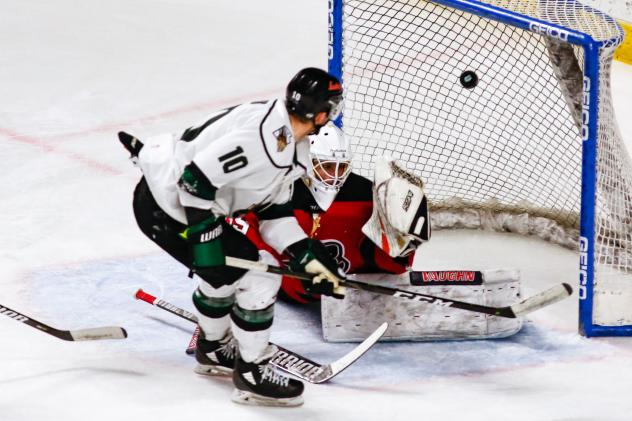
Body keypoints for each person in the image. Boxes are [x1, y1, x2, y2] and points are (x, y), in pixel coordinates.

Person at [120, 68, 346, 407]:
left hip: (180, 207)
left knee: (226, 273)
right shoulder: (261, 139)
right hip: (167, 210)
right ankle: (252, 373)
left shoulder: (290, 143)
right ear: (323, 113)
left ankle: (211, 349)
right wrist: (204, 237)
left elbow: (273, 214)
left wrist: (306, 254)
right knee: (259, 278)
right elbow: (194, 180)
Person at [232, 123, 430, 305]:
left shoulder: (363, 193)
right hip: (290, 290)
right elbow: (248, 231)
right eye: (327, 166)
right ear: (307, 163)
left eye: (341, 167)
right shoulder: (282, 191)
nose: (335, 176)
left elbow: (386, 261)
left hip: (348, 287)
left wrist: (402, 244)